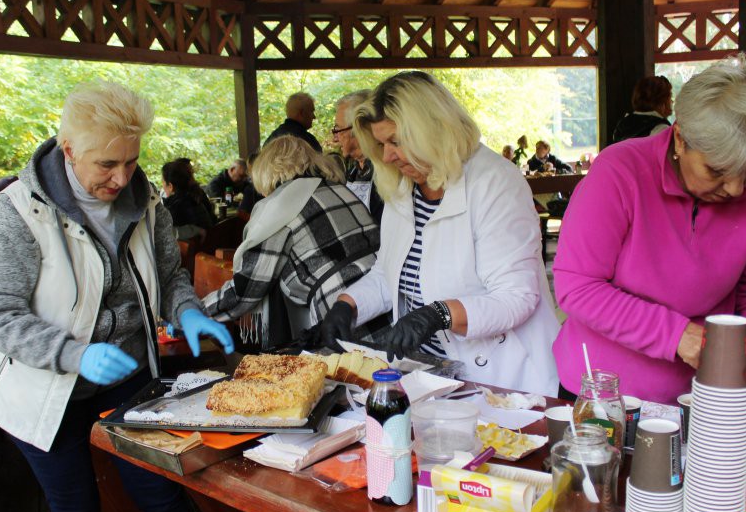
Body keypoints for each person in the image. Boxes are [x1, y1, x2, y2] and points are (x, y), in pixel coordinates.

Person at [0, 81, 234, 512]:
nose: (121, 178)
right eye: (106, 165)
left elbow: (170, 275)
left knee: (160, 489)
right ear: (68, 150)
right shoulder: (16, 213)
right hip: (45, 388)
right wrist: (72, 353)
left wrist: (188, 311)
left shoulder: (147, 202)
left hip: (127, 375)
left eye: (131, 162)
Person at [552, 54, 746, 405]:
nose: (737, 189)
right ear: (680, 139)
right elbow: (578, 287)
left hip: (703, 394)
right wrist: (677, 335)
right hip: (602, 390)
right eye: (717, 171)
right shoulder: (620, 171)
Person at [319, 71, 559, 394]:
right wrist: (346, 305)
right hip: (431, 376)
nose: (387, 155)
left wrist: (440, 314)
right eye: (381, 144)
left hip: (503, 383)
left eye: (396, 141)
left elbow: (516, 297)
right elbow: (388, 275)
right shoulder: (404, 186)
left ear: (430, 130)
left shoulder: (494, 182)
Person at [203, 136, 383, 349]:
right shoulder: (338, 189)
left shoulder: (282, 207)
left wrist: (196, 313)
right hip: (380, 301)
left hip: (342, 319)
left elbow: (248, 287)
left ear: (266, 169)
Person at [333, 89, 384, 224]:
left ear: (357, 129)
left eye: (338, 130)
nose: (335, 139)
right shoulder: (353, 171)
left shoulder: (387, 170)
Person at [161, 157, 214, 240]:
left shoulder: (175, 208)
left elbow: (162, 234)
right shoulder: (194, 197)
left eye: (163, 182)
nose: (162, 185)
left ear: (170, 186)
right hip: (209, 248)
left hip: (194, 252)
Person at [612, 75, 673, 143]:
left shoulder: (621, 125)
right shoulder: (662, 130)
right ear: (662, 101)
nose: (672, 102)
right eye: (670, 97)